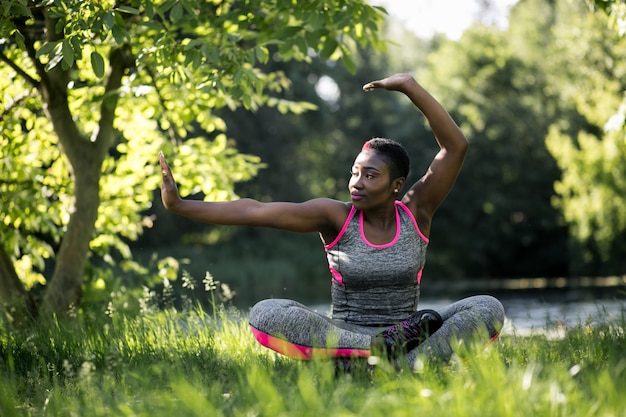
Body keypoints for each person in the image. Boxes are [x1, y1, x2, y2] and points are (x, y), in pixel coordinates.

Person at [159, 73, 505, 370]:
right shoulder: (335, 216)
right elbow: (255, 211)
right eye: (355, 172)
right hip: (343, 337)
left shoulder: (417, 212)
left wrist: (409, 86)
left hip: (409, 335)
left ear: (396, 185)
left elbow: (455, 147)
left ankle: (400, 364)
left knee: (487, 308)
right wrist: (181, 205)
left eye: (370, 175)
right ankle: (376, 355)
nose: (356, 182)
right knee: (267, 312)